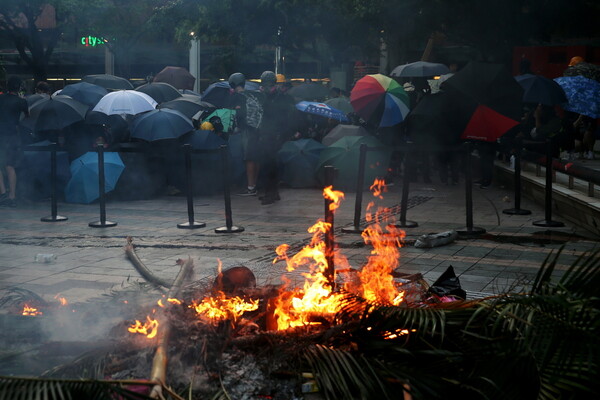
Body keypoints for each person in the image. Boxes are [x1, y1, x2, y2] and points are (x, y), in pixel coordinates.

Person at [257, 70, 296, 205]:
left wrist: (284, 134)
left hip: (276, 135)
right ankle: (273, 192)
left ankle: (270, 193)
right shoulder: (265, 96)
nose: (266, 87)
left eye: (269, 84)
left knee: (271, 165)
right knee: (268, 164)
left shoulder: (281, 98)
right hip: (266, 133)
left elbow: (285, 117)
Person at [229, 72, 264, 196]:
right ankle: (254, 184)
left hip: (247, 130)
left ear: (232, 84)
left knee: (248, 158)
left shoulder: (237, 97)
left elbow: (236, 115)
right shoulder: (253, 94)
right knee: (256, 157)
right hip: (260, 129)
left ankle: (250, 188)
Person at [0, 77, 28, 207]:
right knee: (10, 166)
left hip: (1, 134)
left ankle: (3, 192)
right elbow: (27, 117)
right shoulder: (21, 102)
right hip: (12, 135)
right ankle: (12, 196)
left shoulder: (0, 99)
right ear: (19, 88)